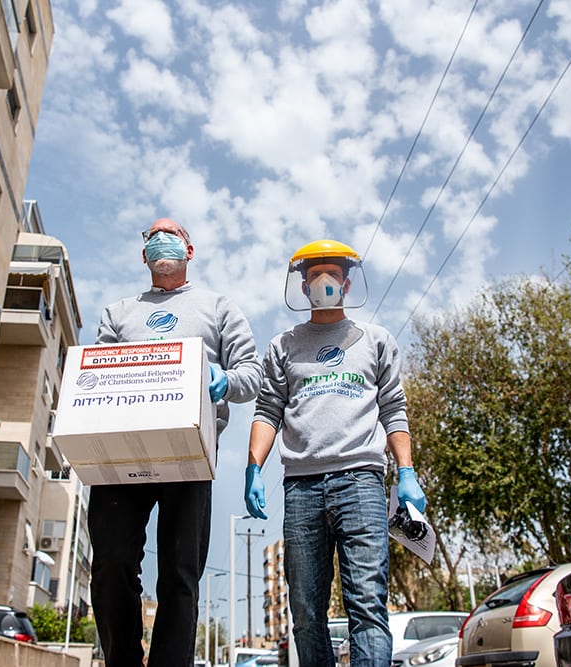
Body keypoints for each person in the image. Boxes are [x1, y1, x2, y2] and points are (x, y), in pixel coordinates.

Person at [242, 239, 427, 667]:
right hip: (301, 489)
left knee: (367, 605)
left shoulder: (375, 341)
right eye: (314, 275)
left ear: (346, 284)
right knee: (306, 613)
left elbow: (394, 408)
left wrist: (407, 472)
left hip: (361, 482)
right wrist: (253, 467)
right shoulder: (283, 346)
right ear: (304, 287)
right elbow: (268, 409)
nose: (323, 281)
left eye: (332, 274)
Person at [90, 217, 262, 667]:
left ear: (190, 249)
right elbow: (96, 372)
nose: (162, 237)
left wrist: (223, 381)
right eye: (153, 234)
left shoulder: (218, 307)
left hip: (189, 455)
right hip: (121, 452)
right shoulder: (118, 312)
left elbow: (252, 375)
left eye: (174, 232)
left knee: (180, 575)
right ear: (142, 252)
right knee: (111, 563)